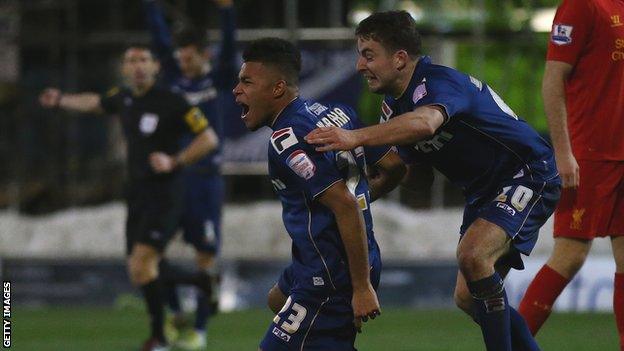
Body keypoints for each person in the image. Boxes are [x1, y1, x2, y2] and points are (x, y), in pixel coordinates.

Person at [305, 11, 562, 351]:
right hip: (484, 192)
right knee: (468, 299)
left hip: (528, 172)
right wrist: (357, 195)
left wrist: (354, 137)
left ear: (399, 59)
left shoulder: (439, 82)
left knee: (473, 256)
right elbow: (416, 176)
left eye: (368, 55)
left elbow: (425, 124)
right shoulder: (393, 108)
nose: (359, 66)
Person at [39, 44, 219, 351]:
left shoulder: (172, 101)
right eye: (131, 61)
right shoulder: (123, 98)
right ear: (124, 69)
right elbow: (95, 103)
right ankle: (200, 281)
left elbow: (209, 138)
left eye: (143, 60)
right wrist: (60, 100)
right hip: (136, 194)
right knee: (141, 271)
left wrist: (175, 161)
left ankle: (159, 338)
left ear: (156, 67)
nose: (137, 66)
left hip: (165, 193)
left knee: (141, 265)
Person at [232, 37, 405, 351]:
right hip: (320, 260)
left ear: (277, 89)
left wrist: (360, 288)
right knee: (277, 299)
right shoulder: (336, 112)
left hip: (330, 271)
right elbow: (393, 166)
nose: (236, 90)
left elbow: (345, 206)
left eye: (246, 81)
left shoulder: (287, 140)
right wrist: (364, 197)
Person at [517, 1, 624, 349]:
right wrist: (564, 152)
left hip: (621, 153)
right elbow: (553, 79)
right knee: (571, 253)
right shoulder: (580, 6)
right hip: (589, 154)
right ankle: (511, 343)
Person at [141, 0, 236, 348]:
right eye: (180, 56)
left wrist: (227, 12)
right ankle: (174, 311)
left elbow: (228, 50)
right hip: (172, 178)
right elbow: (160, 39)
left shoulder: (218, 77)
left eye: (189, 55)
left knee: (206, 256)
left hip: (205, 180)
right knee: (152, 251)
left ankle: (199, 331)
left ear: (203, 55)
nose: (182, 60)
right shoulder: (172, 77)